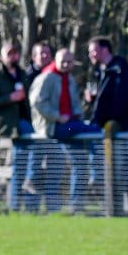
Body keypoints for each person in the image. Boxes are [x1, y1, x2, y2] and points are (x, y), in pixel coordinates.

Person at [29, 48, 85, 213]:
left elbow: (75, 103)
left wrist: (78, 113)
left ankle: (73, 207)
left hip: (69, 125)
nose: (66, 64)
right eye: (63, 62)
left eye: (70, 62)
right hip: (54, 127)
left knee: (77, 163)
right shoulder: (47, 76)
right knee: (94, 131)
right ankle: (97, 174)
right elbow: (36, 101)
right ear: (56, 60)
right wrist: (57, 116)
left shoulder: (69, 78)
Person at [0, 40, 34, 212]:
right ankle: (14, 205)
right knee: (19, 165)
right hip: (6, 127)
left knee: (24, 163)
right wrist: (10, 98)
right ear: (2, 56)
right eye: (9, 53)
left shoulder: (22, 75)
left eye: (15, 53)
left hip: (24, 125)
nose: (13, 56)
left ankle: (26, 204)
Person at [85, 36, 128, 214]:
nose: (90, 55)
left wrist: (114, 119)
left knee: (123, 169)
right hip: (100, 125)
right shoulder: (98, 71)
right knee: (115, 167)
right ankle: (111, 205)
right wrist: (92, 100)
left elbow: (121, 99)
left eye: (93, 51)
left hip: (115, 127)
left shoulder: (120, 68)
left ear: (105, 50)